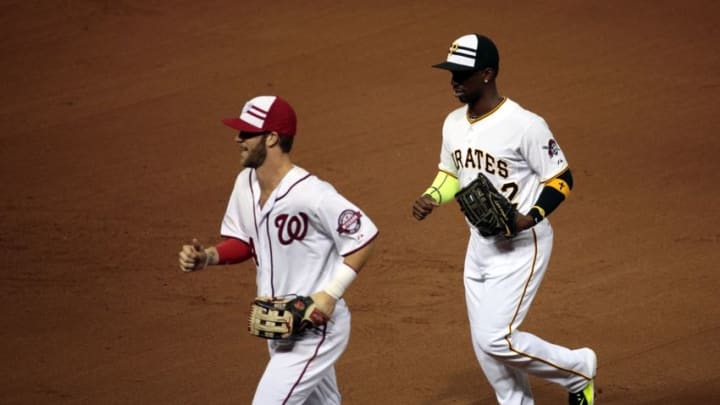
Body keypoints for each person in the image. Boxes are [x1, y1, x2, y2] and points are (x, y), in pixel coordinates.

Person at [412, 34, 597, 405]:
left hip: (521, 245)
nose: (454, 82)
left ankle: (578, 370)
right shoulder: (452, 124)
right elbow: (451, 173)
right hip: (479, 246)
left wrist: (530, 218)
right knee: (484, 344)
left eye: (462, 74)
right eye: (451, 74)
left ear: (487, 74)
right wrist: (432, 196)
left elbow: (561, 178)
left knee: (496, 338)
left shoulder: (525, 124)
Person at [179, 95, 378, 404]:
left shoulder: (311, 193)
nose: (238, 139)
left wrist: (329, 296)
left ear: (271, 137)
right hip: (278, 325)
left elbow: (364, 235)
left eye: (247, 133)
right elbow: (244, 241)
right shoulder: (245, 183)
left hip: (315, 326)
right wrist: (207, 256)